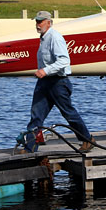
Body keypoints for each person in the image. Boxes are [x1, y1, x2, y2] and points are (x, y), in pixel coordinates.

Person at [21, 10, 96, 153]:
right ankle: (30, 147)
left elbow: (64, 61)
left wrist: (45, 70)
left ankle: (87, 140)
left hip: (58, 82)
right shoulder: (43, 38)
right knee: (36, 115)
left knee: (68, 113)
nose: (37, 24)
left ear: (49, 23)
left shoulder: (55, 37)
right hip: (45, 83)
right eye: (36, 21)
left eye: (40, 21)